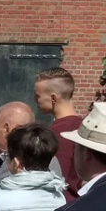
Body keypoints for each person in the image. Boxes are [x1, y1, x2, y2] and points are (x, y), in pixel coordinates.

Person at [34, 67, 82, 201]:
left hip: (58, 202)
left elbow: (56, 177)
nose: (34, 100)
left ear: (53, 98)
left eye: (37, 96)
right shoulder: (84, 128)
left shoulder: (55, 134)